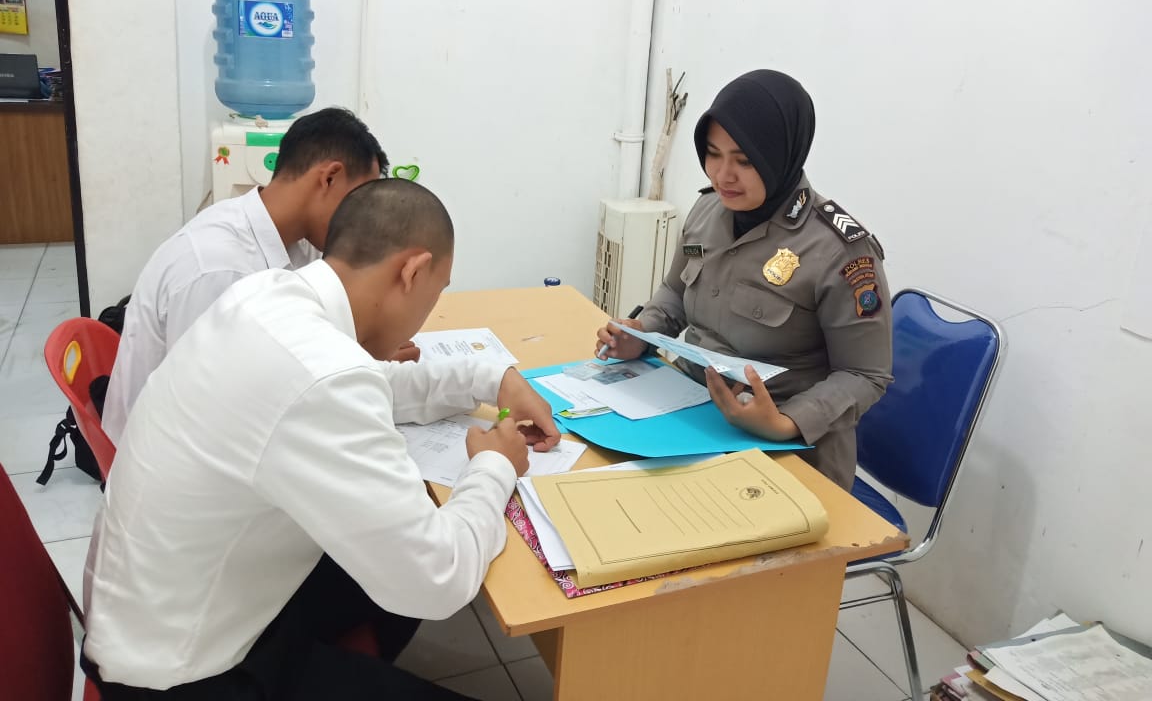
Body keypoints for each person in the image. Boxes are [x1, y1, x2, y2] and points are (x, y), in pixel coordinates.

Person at [81, 178, 561, 700]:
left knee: (386, 561)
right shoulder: (322, 373)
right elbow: (439, 578)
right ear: (412, 271)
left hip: (163, 609)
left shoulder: (268, 294)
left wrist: (490, 378)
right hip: (181, 675)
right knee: (418, 563)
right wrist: (494, 466)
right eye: (436, 291)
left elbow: (371, 383)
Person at [595, 69, 893, 490]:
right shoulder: (707, 212)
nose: (722, 176)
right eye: (712, 154)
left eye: (745, 160)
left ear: (782, 155)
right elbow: (677, 292)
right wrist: (642, 332)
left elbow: (865, 374)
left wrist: (786, 422)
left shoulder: (839, 251)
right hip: (690, 414)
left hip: (787, 451)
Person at [102, 106, 419, 446]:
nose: (360, 220)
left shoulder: (299, 241)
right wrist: (363, 365)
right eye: (358, 202)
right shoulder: (219, 270)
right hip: (169, 449)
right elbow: (212, 410)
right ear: (329, 178)